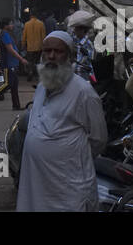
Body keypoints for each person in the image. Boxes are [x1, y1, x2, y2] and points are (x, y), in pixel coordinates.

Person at [16, 31, 108, 211]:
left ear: (69, 56)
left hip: (69, 187)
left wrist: (68, 155)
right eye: (47, 51)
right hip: (38, 185)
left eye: (58, 51)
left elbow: (98, 139)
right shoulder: (42, 86)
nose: (51, 56)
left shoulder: (84, 92)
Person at [0, 17, 27, 110]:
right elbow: (10, 50)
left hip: (13, 63)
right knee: (8, 84)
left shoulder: (7, 34)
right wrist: (21, 59)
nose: (12, 25)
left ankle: (16, 106)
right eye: (11, 24)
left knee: (14, 86)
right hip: (8, 64)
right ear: (5, 26)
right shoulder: (4, 35)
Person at [66, 9, 97, 82]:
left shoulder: (88, 44)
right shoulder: (75, 40)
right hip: (75, 76)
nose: (74, 31)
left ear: (83, 30)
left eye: (76, 29)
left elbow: (86, 61)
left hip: (84, 77)